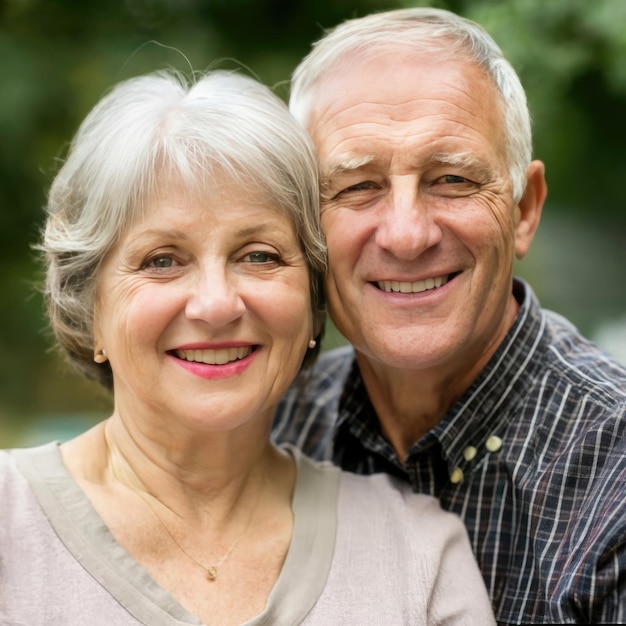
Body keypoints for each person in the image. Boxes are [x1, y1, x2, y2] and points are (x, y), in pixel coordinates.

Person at [0, 69, 495, 625]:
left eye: (259, 256)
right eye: (162, 260)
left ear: (311, 300)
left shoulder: (416, 550)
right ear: (86, 307)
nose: (216, 305)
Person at [272, 7, 626, 625]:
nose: (407, 235)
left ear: (523, 210)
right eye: (357, 187)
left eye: (453, 179)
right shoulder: (271, 429)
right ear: (305, 226)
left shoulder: (613, 477)